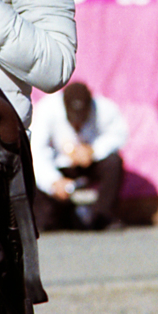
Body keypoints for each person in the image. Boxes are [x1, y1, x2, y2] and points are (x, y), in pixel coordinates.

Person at [31, 82, 128, 232]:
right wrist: (52, 181)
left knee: (114, 163)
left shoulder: (105, 109)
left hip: (90, 164)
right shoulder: (46, 110)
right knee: (44, 222)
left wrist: (94, 150)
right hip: (59, 167)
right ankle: (62, 215)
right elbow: (37, 151)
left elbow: (119, 134)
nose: (77, 123)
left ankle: (103, 214)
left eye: (82, 117)